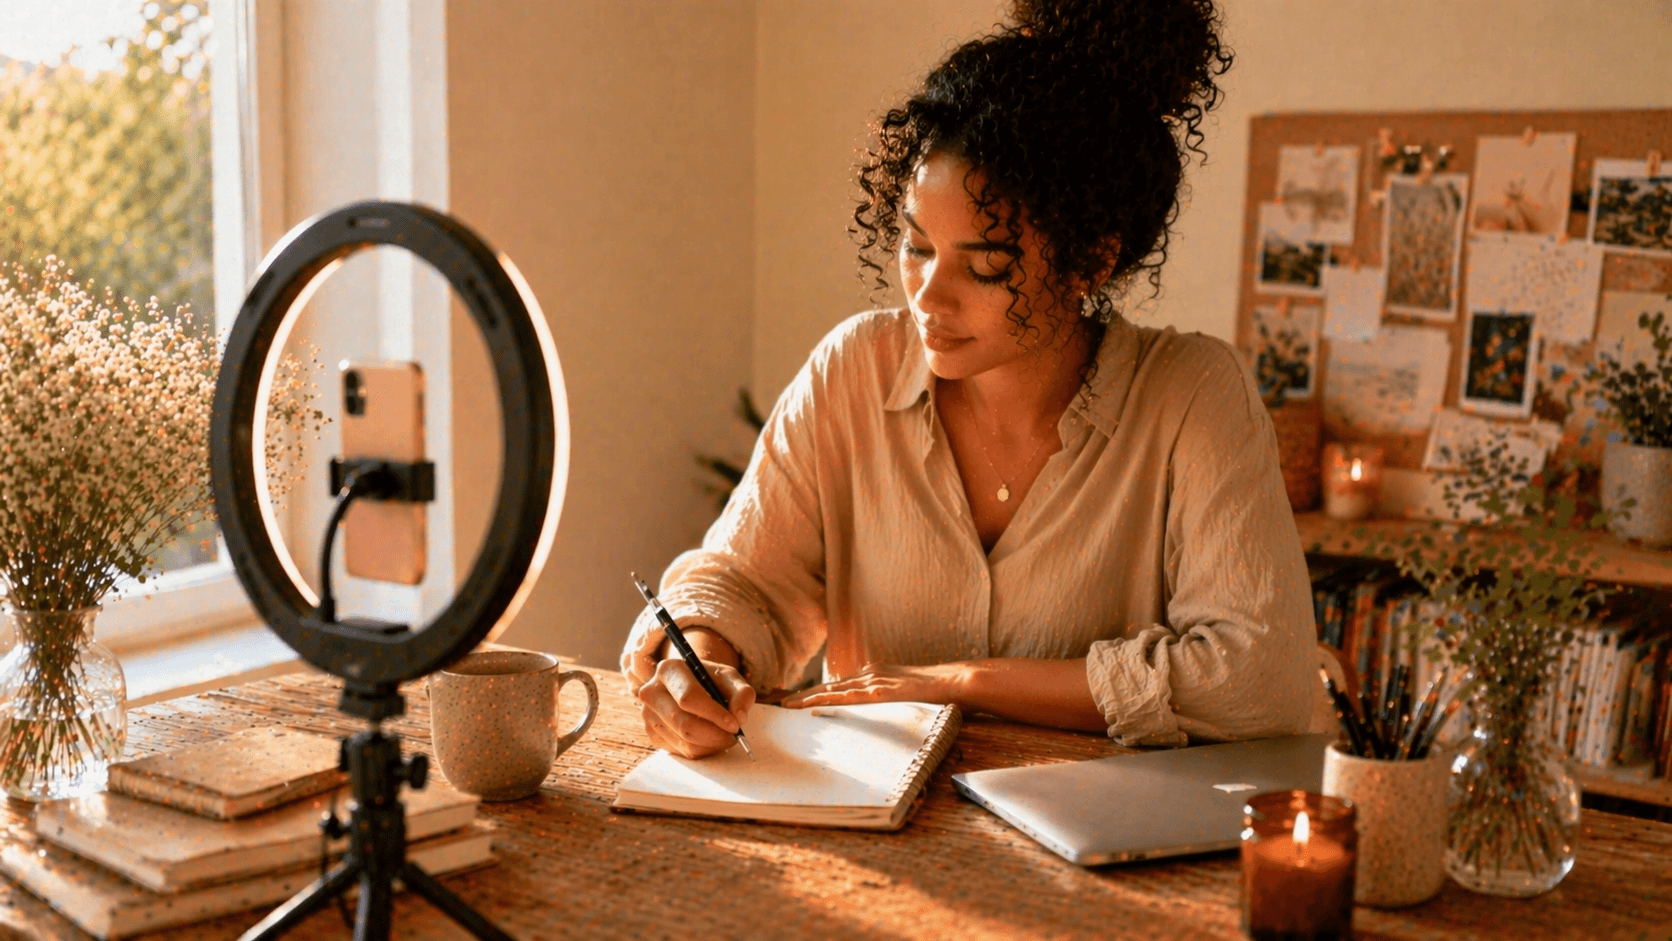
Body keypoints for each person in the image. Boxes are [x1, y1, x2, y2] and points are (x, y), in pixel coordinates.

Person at [622, 0, 1324, 759]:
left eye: (986, 266)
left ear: (1092, 261)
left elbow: (1262, 677)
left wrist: (963, 680)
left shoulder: (1191, 395)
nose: (928, 294)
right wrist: (701, 655)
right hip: (874, 834)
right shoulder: (855, 370)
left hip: (1102, 860)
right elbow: (740, 582)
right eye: (917, 247)